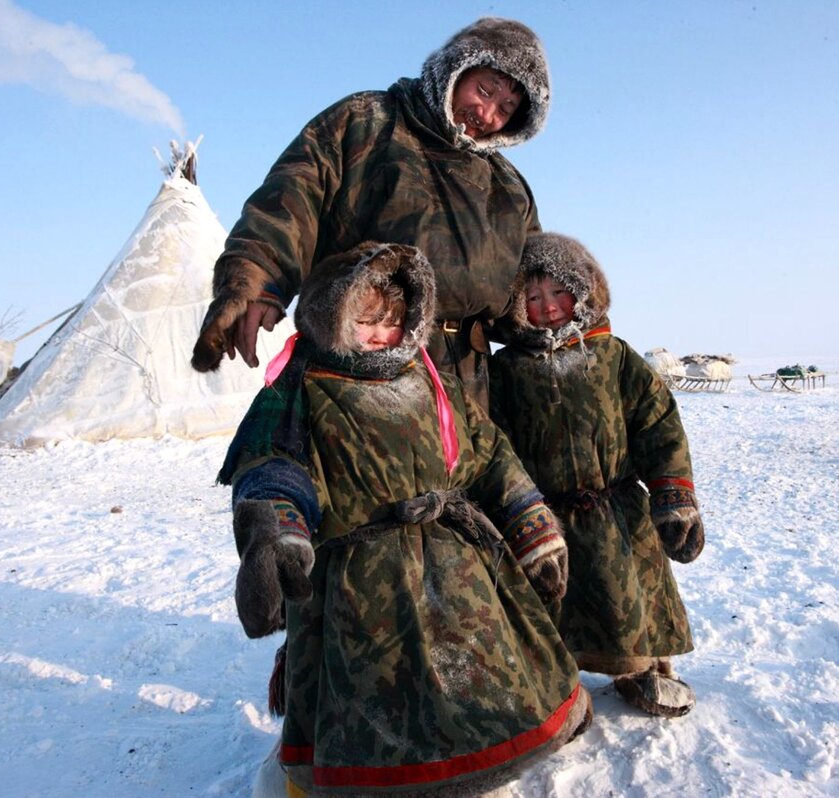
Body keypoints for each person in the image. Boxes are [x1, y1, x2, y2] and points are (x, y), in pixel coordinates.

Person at [226, 242, 591, 795]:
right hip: (358, 587)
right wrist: (277, 533)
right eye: (366, 318)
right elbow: (274, 466)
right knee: (375, 704)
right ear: (332, 316)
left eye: (393, 321)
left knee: (476, 674)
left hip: (455, 565)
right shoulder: (301, 387)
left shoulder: (430, 380)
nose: (380, 333)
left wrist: (529, 518)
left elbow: (487, 452)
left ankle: (479, 762)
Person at [191, 17, 551, 406]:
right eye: (484, 90)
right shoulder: (367, 121)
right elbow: (291, 199)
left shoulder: (508, 188)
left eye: (506, 108)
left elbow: (535, 284)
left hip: (466, 389)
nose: (487, 113)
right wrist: (255, 281)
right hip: (357, 371)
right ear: (456, 69)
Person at [488, 232, 706, 718]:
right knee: (550, 605)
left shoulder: (615, 356)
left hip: (616, 510)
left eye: (558, 293)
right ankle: (554, 686)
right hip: (546, 514)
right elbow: (494, 439)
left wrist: (674, 494)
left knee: (630, 597)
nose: (546, 307)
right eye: (532, 297)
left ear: (583, 291)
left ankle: (644, 670)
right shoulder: (505, 370)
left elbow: (658, 423)